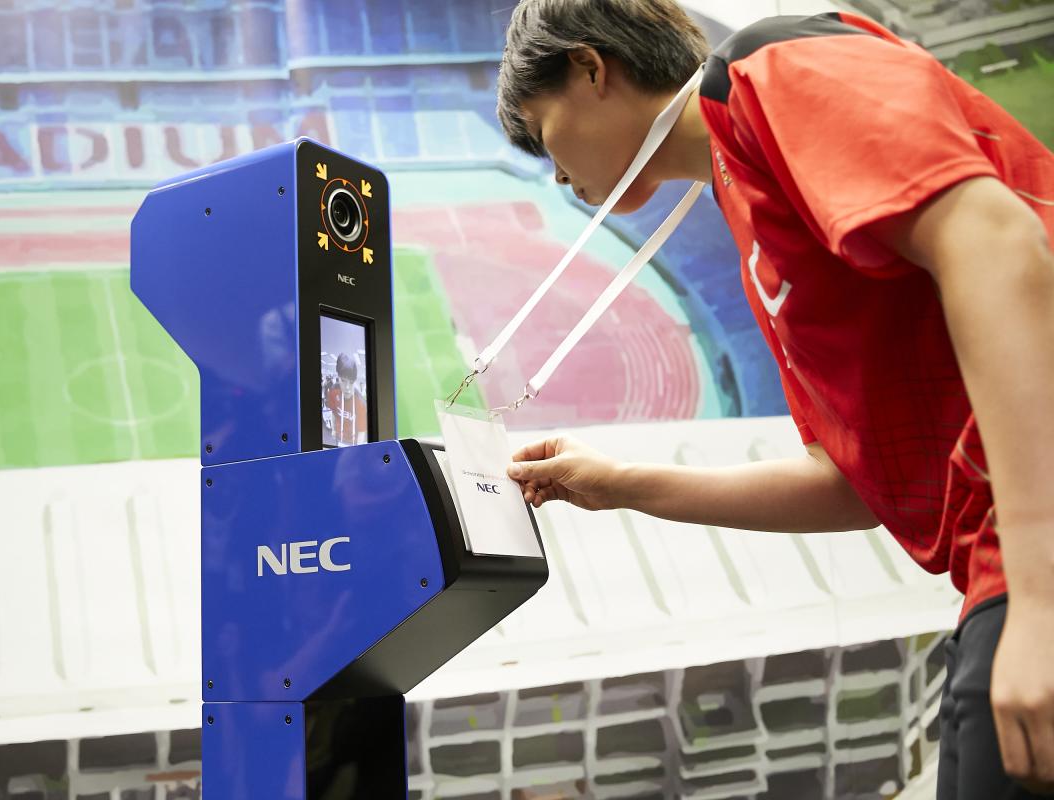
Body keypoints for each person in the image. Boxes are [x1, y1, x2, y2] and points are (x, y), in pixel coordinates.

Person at [495, 2, 1054, 796]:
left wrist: (1039, 596)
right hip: (992, 572)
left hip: (1024, 562)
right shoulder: (742, 191)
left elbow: (995, 240)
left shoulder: (773, 70)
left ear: (591, 70)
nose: (554, 172)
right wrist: (621, 484)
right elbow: (851, 482)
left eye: (540, 130)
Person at [325, 352, 367, 447]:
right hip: (339, 438)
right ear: (338, 377)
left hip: (353, 443)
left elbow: (362, 431)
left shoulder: (360, 403)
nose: (347, 387)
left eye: (351, 382)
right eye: (343, 381)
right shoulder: (333, 391)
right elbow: (334, 412)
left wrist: (358, 449)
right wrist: (334, 430)